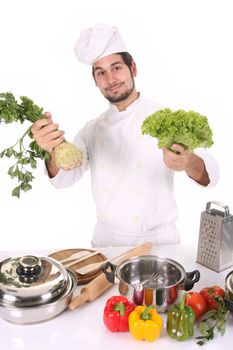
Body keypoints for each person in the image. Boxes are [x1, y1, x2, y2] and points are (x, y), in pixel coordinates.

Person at [31, 23, 219, 247]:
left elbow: (211, 176)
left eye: (117, 68)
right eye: (101, 72)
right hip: (107, 243)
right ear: (95, 81)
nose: (110, 79)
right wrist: (52, 149)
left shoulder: (165, 119)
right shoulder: (91, 130)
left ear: (133, 69)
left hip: (160, 243)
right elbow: (63, 179)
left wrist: (189, 162)